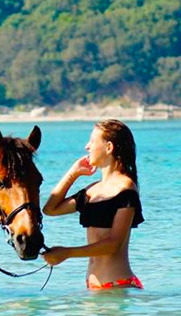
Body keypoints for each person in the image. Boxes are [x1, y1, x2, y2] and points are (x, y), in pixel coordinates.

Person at [42, 119, 145, 290]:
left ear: (109, 147)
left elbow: (114, 244)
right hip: (95, 289)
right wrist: (73, 173)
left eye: (92, 141)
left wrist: (67, 253)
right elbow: (50, 209)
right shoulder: (92, 190)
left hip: (117, 286)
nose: (87, 147)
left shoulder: (125, 190)